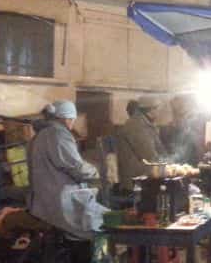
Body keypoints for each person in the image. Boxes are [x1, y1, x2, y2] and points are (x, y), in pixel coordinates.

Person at [27, 100, 107, 239]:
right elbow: (75, 166)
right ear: (68, 119)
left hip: (41, 201)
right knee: (104, 223)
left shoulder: (39, 135)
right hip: (60, 200)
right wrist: (96, 172)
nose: (72, 124)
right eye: (72, 120)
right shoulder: (59, 134)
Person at [116, 95, 166, 190]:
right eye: (158, 108)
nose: (160, 112)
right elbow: (149, 156)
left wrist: (169, 162)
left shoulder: (147, 124)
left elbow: (161, 150)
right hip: (135, 181)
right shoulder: (136, 126)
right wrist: (169, 167)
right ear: (151, 110)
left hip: (144, 174)